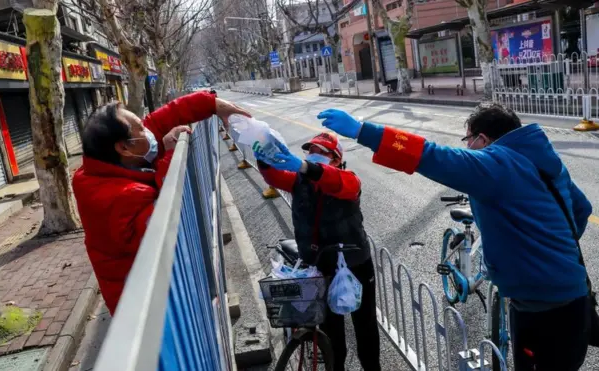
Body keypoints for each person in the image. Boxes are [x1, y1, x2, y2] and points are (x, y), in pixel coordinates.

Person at [318, 104, 592, 371]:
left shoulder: (496, 164)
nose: (467, 147)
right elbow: (581, 209)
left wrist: (362, 131)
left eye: (468, 140)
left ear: (482, 139)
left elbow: (431, 155)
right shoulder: (541, 158)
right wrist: (552, 250)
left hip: (542, 307)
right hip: (573, 296)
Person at [73, 91, 249, 315]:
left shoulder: (105, 165)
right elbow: (169, 227)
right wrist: (170, 159)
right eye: (139, 127)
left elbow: (163, 118)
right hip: (149, 312)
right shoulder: (119, 197)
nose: (147, 129)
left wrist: (211, 103)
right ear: (124, 147)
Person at [254, 132, 381, 371]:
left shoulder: (348, 180)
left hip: (355, 264)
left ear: (336, 159)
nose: (313, 155)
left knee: (365, 326)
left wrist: (305, 167)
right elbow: (273, 176)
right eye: (310, 150)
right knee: (332, 331)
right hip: (321, 265)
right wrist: (263, 159)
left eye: (321, 152)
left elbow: (334, 182)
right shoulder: (297, 181)